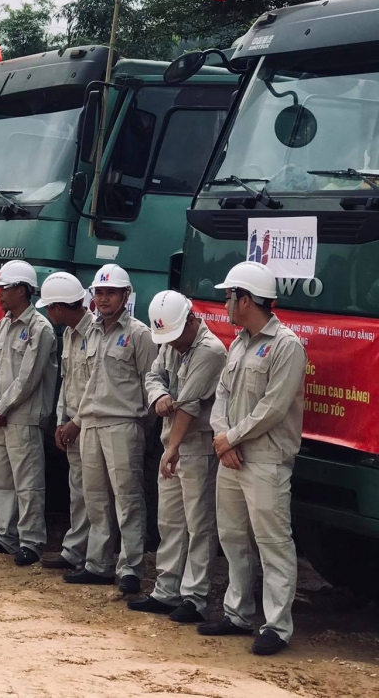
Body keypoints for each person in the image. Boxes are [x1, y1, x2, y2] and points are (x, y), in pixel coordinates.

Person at [197, 261, 306, 656]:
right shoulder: (240, 341)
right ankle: (238, 613)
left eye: (229, 296)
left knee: (273, 542)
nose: (224, 302)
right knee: (233, 536)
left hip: (264, 459)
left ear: (246, 299)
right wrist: (223, 436)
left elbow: (274, 408)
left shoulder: (287, 345)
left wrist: (230, 438)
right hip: (233, 455)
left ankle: (276, 626)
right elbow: (222, 394)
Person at [128, 290, 227, 623]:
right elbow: (153, 376)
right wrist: (158, 397)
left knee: (199, 523)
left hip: (195, 445)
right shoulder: (171, 344)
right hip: (172, 441)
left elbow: (188, 406)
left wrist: (171, 449)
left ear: (190, 320)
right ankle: (166, 589)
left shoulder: (210, 351)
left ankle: (195, 597)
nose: (170, 342)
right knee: (170, 520)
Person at [64, 263, 157, 594]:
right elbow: (87, 382)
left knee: (128, 498)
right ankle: (98, 563)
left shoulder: (139, 334)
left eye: (111, 293)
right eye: (99, 292)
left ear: (126, 295)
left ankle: (131, 566)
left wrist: (140, 428)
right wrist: (77, 419)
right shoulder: (91, 331)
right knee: (95, 498)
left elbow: (152, 383)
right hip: (90, 422)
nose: (104, 299)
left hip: (123, 423)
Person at [0, 260, 56, 566]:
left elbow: (29, 377)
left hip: (24, 416)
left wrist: (2, 408)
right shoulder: (3, 325)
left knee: (28, 480)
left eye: (4, 288)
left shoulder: (40, 328)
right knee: (0, 477)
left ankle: (32, 542)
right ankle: (6, 536)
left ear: (22, 290)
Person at [37, 271, 96, 572]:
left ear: (58, 308)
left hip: (92, 426)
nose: (48, 312)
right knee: (78, 490)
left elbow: (98, 387)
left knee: (96, 494)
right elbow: (67, 379)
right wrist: (62, 421)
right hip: (72, 424)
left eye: (49, 306)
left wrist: (77, 422)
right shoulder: (70, 334)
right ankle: (75, 551)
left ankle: (95, 557)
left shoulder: (96, 333)